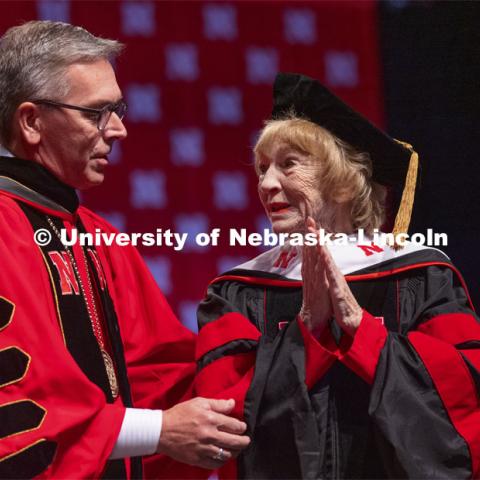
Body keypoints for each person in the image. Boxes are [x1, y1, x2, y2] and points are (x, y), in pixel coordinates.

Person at [195, 72, 480, 479]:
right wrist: (308, 329)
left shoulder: (421, 276)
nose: (266, 183)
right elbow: (223, 425)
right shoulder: (236, 293)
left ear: (344, 181)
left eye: (288, 165)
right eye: (262, 168)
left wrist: (360, 329)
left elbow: (464, 402)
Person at [0, 20, 249, 479]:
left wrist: (283, 343)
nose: (118, 130)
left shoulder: (97, 236)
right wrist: (158, 431)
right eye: (96, 112)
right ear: (32, 121)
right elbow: (23, 409)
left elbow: (161, 375)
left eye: (119, 109)